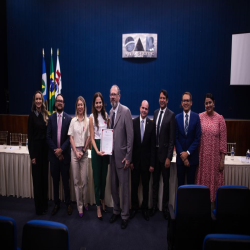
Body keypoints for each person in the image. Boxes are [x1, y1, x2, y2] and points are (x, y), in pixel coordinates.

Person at [109, 85, 133, 229]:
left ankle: (125, 215)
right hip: (111, 157)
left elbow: (130, 137)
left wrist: (128, 157)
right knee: (113, 187)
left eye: (114, 94)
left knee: (124, 189)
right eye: (110, 94)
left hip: (123, 158)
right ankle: (116, 211)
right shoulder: (110, 112)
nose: (112, 97)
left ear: (119, 96)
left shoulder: (126, 111)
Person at [195, 93, 227, 207]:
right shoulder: (199, 117)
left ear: (214, 103)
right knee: (201, 184)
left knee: (214, 184)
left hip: (214, 160)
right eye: (206, 103)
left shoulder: (220, 119)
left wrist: (222, 160)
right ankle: (201, 209)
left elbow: (223, 141)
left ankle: (212, 210)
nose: (208, 105)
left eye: (210, 102)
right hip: (202, 158)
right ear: (204, 104)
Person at [46, 94, 73, 216]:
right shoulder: (50, 118)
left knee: (66, 183)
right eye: (58, 101)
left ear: (64, 103)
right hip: (54, 157)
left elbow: (69, 138)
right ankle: (56, 204)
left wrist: (61, 150)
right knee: (55, 182)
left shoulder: (68, 119)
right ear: (56, 103)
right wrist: (56, 151)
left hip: (64, 157)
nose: (60, 103)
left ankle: (68, 204)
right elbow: (48, 137)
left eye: (62, 101)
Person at [151, 89, 175, 220]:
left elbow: (172, 139)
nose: (161, 100)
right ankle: (154, 206)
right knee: (154, 183)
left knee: (166, 184)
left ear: (167, 100)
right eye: (160, 98)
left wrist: (169, 157)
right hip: (155, 156)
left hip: (165, 157)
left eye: (164, 98)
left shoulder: (171, 115)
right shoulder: (155, 113)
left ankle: (165, 208)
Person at [130, 100, 155, 221]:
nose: (144, 110)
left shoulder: (151, 124)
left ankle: (144, 208)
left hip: (146, 164)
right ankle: (134, 207)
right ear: (139, 108)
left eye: (146, 109)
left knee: (145, 187)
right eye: (142, 108)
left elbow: (152, 146)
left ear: (148, 110)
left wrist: (152, 164)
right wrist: (130, 161)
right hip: (134, 163)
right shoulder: (133, 122)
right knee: (134, 186)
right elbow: (131, 144)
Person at [68, 96, 90, 218]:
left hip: (84, 152)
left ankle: (86, 201)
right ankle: (80, 206)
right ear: (76, 107)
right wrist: (76, 151)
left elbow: (88, 137)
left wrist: (83, 150)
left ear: (84, 106)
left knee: (85, 180)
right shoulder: (73, 121)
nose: (80, 107)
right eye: (78, 105)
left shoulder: (87, 121)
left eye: (82, 105)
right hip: (74, 153)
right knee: (77, 181)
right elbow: (70, 137)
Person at [28, 91, 49, 215]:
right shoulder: (32, 116)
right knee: (37, 181)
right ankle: (39, 207)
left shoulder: (45, 114)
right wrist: (32, 156)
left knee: (44, 180)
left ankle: (45, 204)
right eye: (36, 99)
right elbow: (30, 137)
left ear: (42, 100)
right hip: (36, 152)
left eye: (40, 99)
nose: (38, 101)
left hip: (45, 153)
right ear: (34, 101)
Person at [89, 92, 109, 220]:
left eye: (100, 102)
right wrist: (96, 151)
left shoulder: (106, 115)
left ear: (103, 103)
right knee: (97, 179)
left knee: (104, 178)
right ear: (94, 104)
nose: (98, 105)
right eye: (96, 103)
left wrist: (107, 148)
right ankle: (97, 205)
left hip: (105, 149)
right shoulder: (91, 117)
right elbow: (91, 137)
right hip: (96, 150)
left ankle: (102, 199)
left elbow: (108, 133)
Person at [175, 92, 201, 187]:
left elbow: (197, 139)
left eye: (188, 100)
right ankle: (180, 203)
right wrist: (183, 155)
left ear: (191, 103)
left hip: (192, 159)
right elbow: (176, 138)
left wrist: (188, 153)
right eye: (184, 101)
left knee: (191, 188)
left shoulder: (196, 117)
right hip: (180, 159)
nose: (186, 103)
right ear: (181, 103)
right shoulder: (177, 118)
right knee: (180, 187)